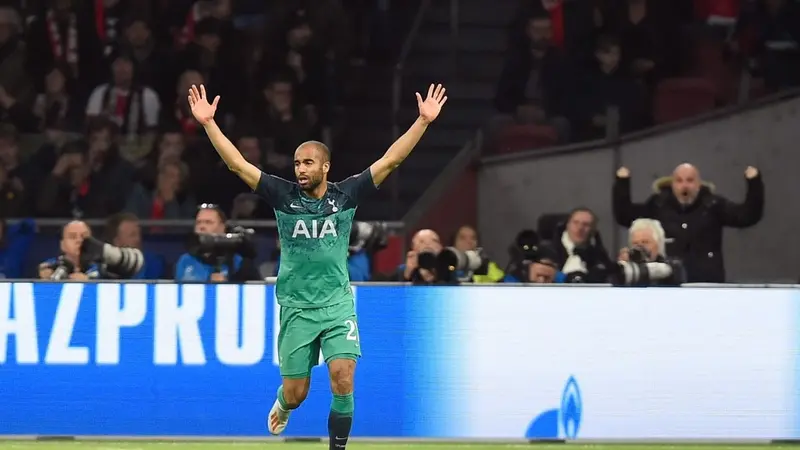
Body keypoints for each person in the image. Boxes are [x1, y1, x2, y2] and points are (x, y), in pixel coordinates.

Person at [187, 82, 447, 447]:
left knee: (343, 376)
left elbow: (391, 160)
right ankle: (283, 402)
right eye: (296, 163)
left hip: (337, 303)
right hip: (296, 307)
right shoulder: (282, 195)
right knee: (297, 393)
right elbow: (237, 164)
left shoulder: (346, 195)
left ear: (325, 166)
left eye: (307, 162)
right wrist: (208, 124)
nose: (300, 169)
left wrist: (422, 121)